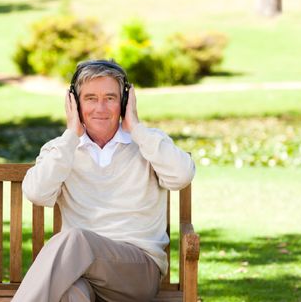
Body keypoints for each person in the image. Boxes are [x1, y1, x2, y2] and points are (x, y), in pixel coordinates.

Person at [12, 59, 195, 302]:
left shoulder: (148, 143)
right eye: (90, 98)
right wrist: (70, 137)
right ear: (75, 103)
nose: (101, 108)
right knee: (69, 295)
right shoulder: (61, 149)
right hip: (82, 273)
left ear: (124, 102)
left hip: (137, 271)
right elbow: (36, 193)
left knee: (76, 239)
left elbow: (181, 176)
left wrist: (137, 129)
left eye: (110, 98)